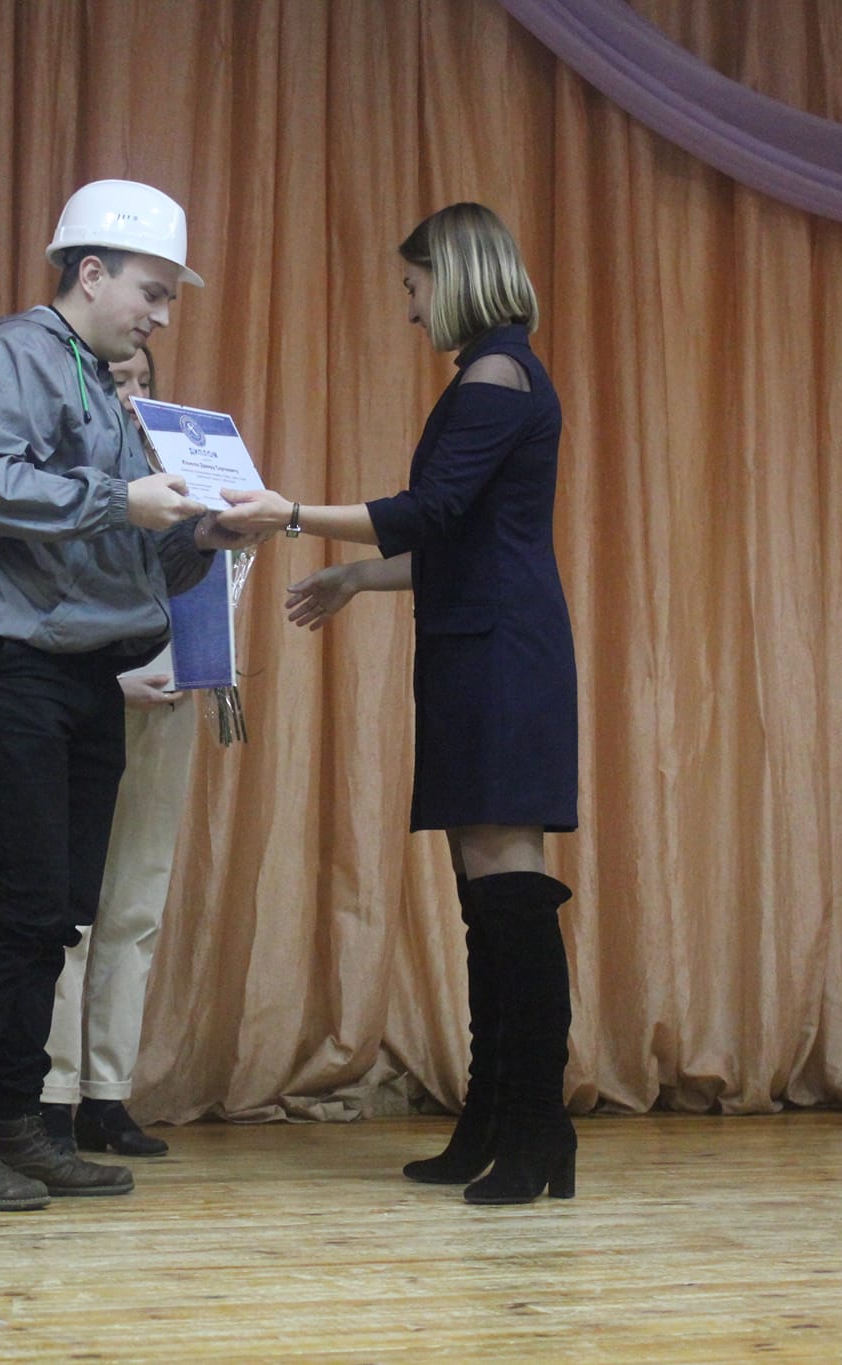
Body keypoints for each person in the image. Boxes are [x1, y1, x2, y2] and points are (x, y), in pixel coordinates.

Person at [0, 180, 260, 1212]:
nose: (162, 315)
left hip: (78, 670)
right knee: (19, 898)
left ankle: (15, 1120)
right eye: (152, 291)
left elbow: (119, 551)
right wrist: (120, 497)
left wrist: (200, 536)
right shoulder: (14, 354)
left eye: (168, 299)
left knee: (59, 909)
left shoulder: (104, 389)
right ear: (90, 273)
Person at [220, 203, 580, 1205]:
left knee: (505, 891)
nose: (411, 311)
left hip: (501, 655)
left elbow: (430, 513)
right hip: (485, 644)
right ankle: (493, 1118)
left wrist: (291, 516)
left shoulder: (494, 376)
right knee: (485, 898)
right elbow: (462, 543)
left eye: (414, 288)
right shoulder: (495, 375)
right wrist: (355, 578)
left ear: (452, 276)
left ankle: (536, 1126)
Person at [41, 344, 190, 1159]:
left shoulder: (181, 482)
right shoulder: (64, 478)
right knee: (67, 905)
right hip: (79, 698)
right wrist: (104, 680)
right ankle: (50, 1092)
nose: (132, 396)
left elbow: (198, 590)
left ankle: (106, 1091)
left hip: (164, 706)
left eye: (143, 383)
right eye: (117, 381)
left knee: (135, 901)